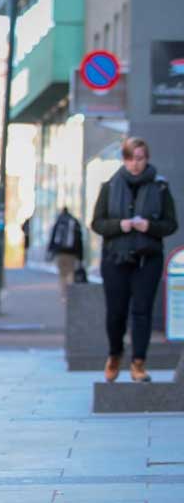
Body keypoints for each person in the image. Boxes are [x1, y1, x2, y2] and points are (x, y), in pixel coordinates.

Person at [91, 137, 177, 383]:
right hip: (115, 258)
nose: (135, 164)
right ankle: (115, 354)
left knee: (142, 311)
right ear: (124, 159)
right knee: (116, 313)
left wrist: (149, 226)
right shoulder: (110, 186)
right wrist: (121, 225)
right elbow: (97, 223)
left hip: (147, 259)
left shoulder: (160, 187)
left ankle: (139, 362)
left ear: (146, 158)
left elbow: (171, 224)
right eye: (130, 158)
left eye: (139, 158)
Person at [46, 207, 83, 299]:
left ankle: (63, 295)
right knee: (70, 273)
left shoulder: (59, 221)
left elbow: (53, 238)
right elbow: (79, 240)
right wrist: (80, 256)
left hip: (60, 253)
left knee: (62, 274)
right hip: (72, 253)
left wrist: (50, 251)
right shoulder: (74, 222)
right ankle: (70, 294)